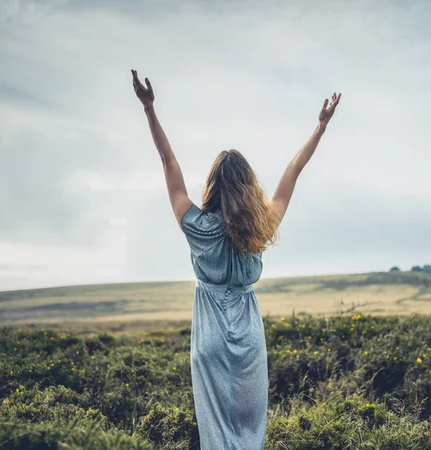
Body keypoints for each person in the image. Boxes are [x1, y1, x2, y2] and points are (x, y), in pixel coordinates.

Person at [132, 69, 341, 449]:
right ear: (248, 186)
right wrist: (320, 127)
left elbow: (169, 164)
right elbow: (293, 170)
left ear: (213, 184)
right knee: (248, 433)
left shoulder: (197, 227)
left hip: (209, 343)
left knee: (216, 433)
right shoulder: (259, 229)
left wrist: (149, 109)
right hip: (248, 341)